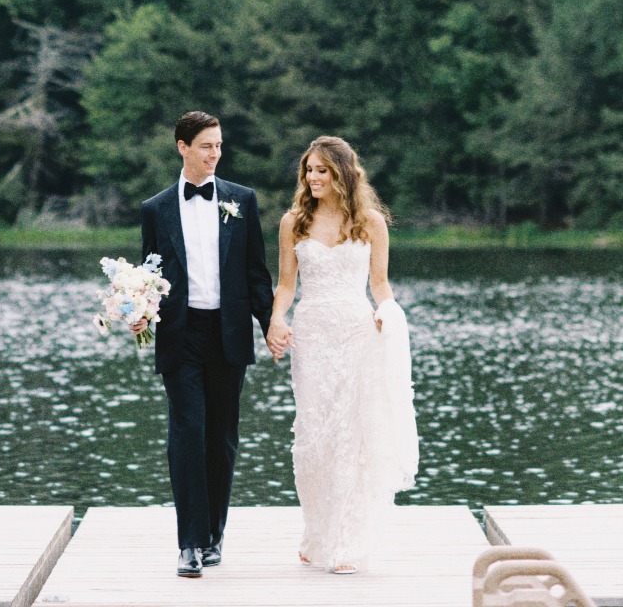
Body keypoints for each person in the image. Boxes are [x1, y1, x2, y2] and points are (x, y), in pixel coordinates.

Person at [266, 135, 419, 574]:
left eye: (322, 171)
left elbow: (380, 284)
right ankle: (318, 533)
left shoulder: (370, 221)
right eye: (309, 170)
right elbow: (287, 285)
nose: (313, 178)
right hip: (312, 335)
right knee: (315, 436)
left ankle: (348, 542)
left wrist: (386, 315)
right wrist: (278, 320)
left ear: (343, 174)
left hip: (357, 332)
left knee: (352, 435)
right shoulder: (293, 221)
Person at [140, 110, 275, 580]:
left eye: (219, 146)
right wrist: (139, 311)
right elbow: (150, 277)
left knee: (221, 438)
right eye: (206, 146)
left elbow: (257, 274)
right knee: (187, 433)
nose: (215, 154)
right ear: (182, 147)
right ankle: (190, 544)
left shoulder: (243, 200)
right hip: (181, 336)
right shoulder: (154, 209)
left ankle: (214, 534)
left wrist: (271, 324)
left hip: (228, 333)